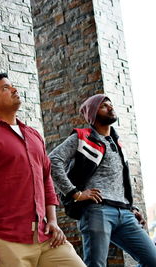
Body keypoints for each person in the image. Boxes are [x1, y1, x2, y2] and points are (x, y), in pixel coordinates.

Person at [0, 73, 85, 267]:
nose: (14, 89)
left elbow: (46, 180)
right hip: (6, 240)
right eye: (5, 88)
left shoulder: (34, 135)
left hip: (46, 237)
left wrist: (52, 220)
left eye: (12, 86)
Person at [49, 94, 156, 267]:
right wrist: (75, 193)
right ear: (92, 114)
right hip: (98, 210)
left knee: (152, 260)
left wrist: (130, 207)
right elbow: (53, 160)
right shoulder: (82, 138)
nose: (110, 107)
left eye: (110, 104)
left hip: (125, 213)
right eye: (103, 106)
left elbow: (118, 180)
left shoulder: (117, 143)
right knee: (96, 264)